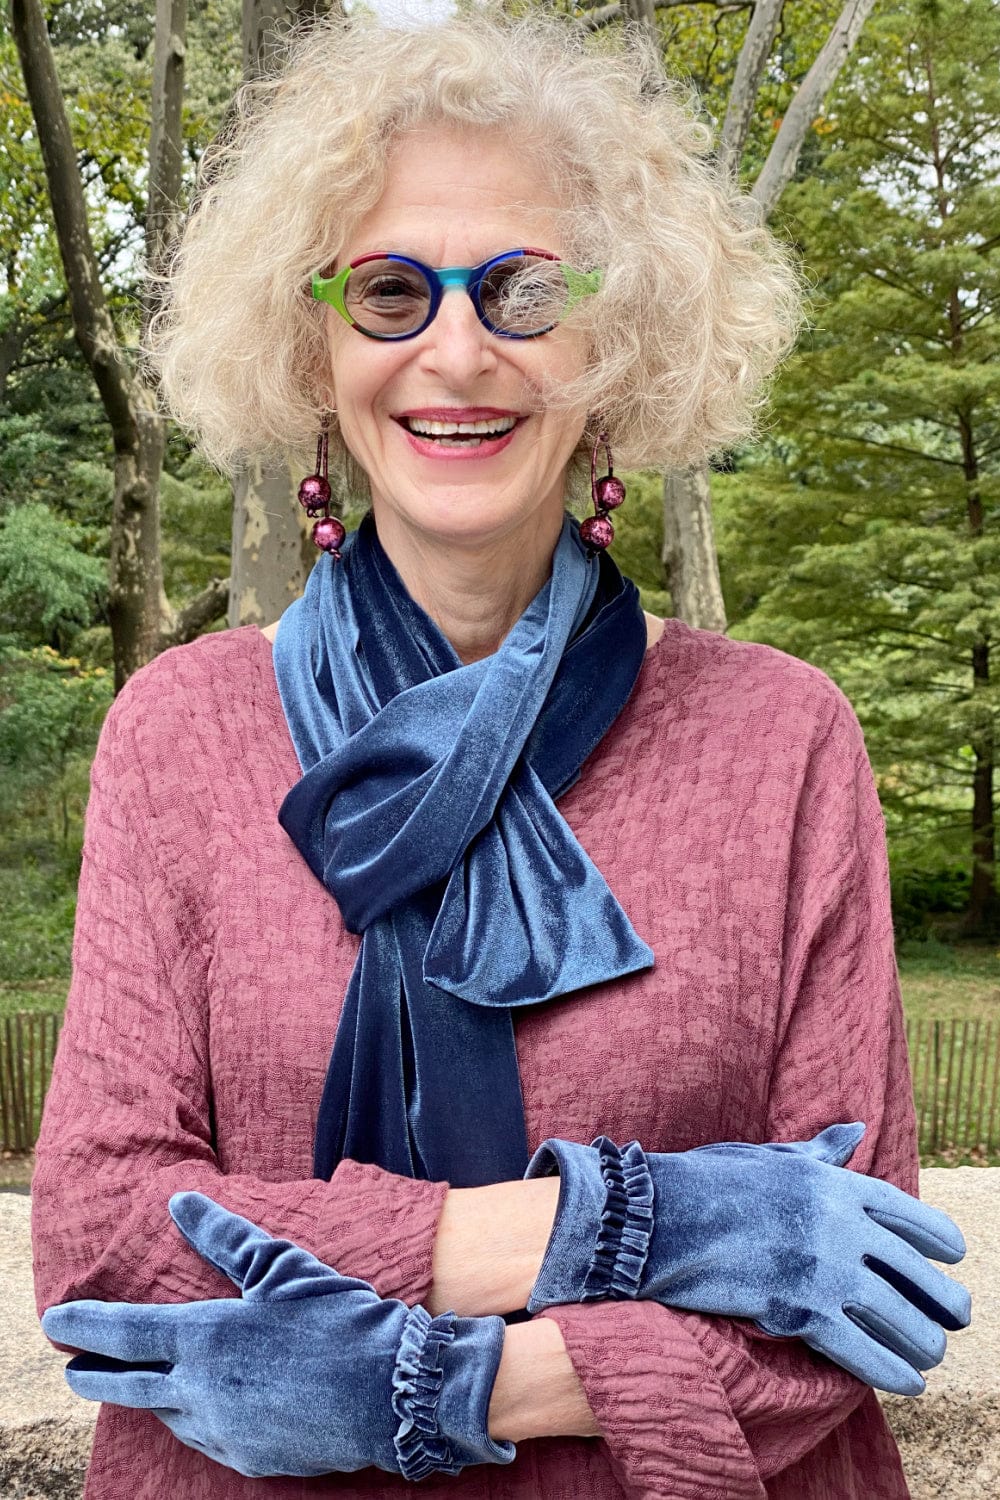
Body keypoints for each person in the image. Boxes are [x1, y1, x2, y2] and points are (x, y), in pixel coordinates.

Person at [32, 9, 969, 1499]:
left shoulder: (785, 738)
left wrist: (418, 1384)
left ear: (621, 338)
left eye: (528, 288)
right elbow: (104, 1235)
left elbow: (862, 1291)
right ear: (313, 338)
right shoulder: (179, 732)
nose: (456, 349)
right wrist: (647, 1232)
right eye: (390, 289)